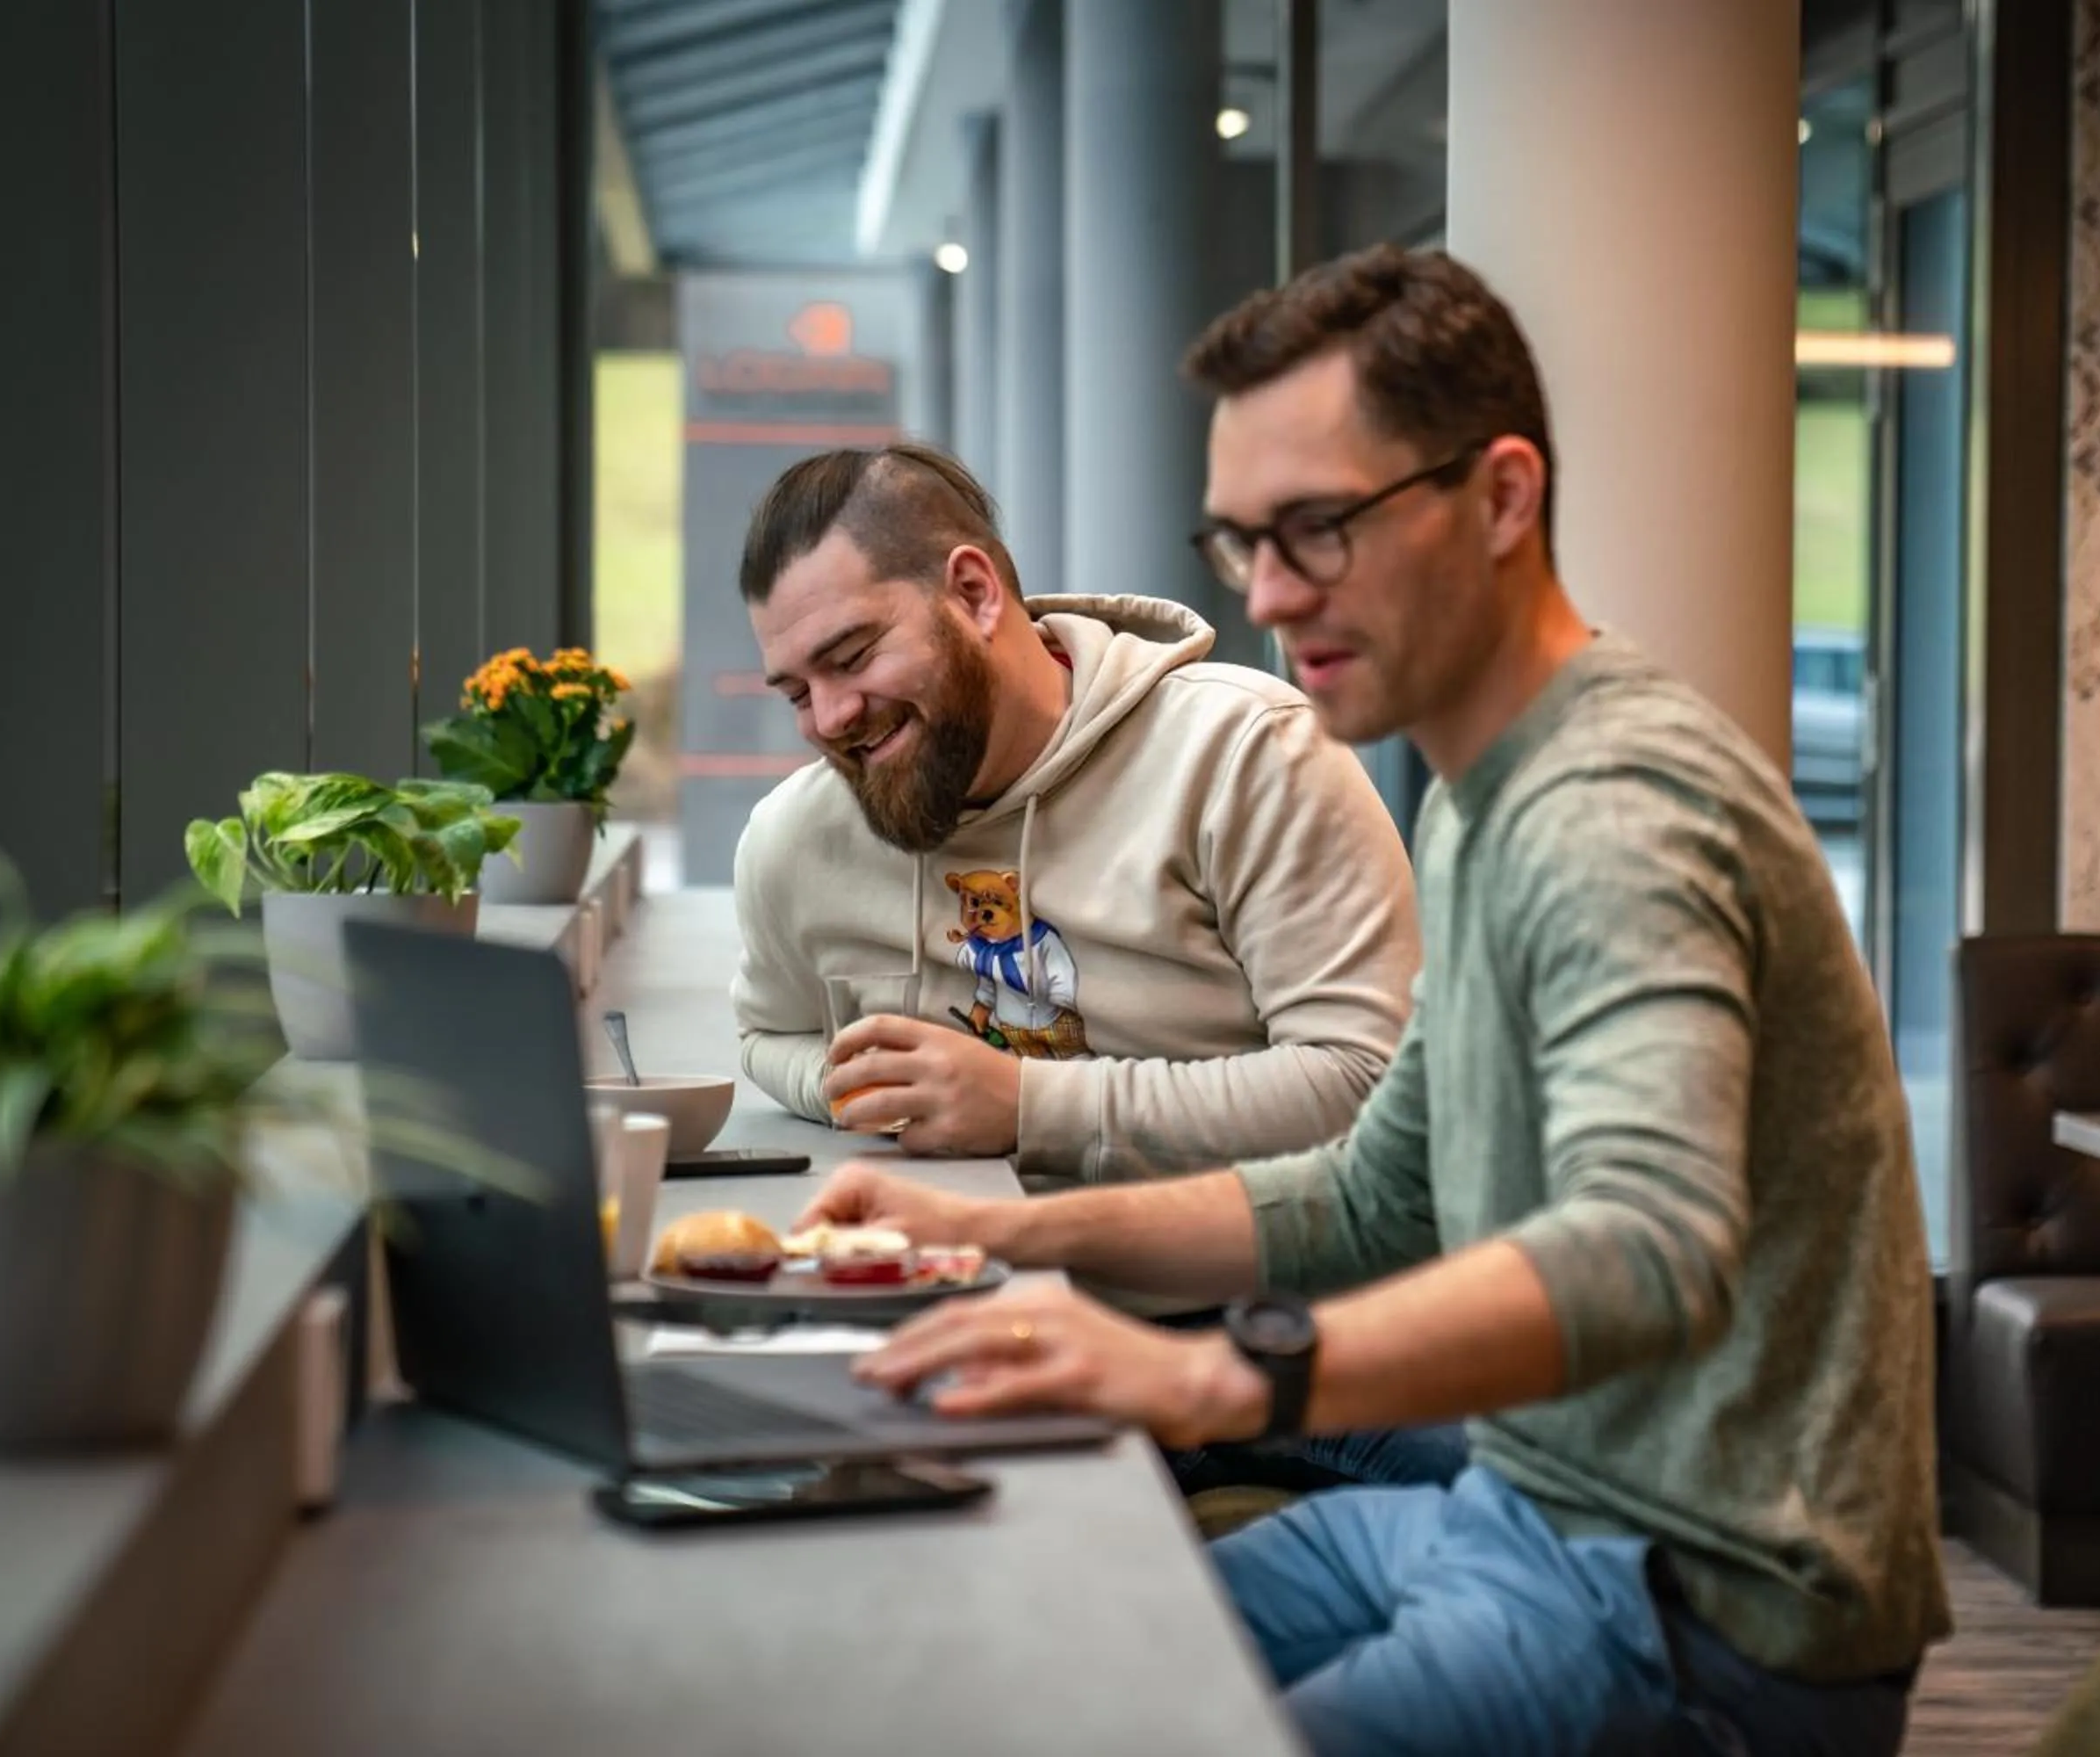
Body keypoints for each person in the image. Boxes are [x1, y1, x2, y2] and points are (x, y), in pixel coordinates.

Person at [798, 246, 1950, 1754]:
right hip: (1532, 1519)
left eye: (1320, 531)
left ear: (1504, 496)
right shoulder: (1486, 791)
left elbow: (1648, 1248)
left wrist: (1212, 1374)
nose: (1272, 596)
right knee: (1067, 1648)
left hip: (1703, 1612)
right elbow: (1372, 1195)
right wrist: (996, 1233)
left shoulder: (1611, 806)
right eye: (1243, 543)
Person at [731, 440, 1419, 1186]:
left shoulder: (1247, 753)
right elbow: (771, 1032)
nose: (830, 718)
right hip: (947, 1290)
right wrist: (875, 1094)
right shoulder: (794, 838)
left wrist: (1027, 1106)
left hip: (1218, 1297)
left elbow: (1370, 1082)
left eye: (855, 656)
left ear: (972, 592)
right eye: (797, 693)